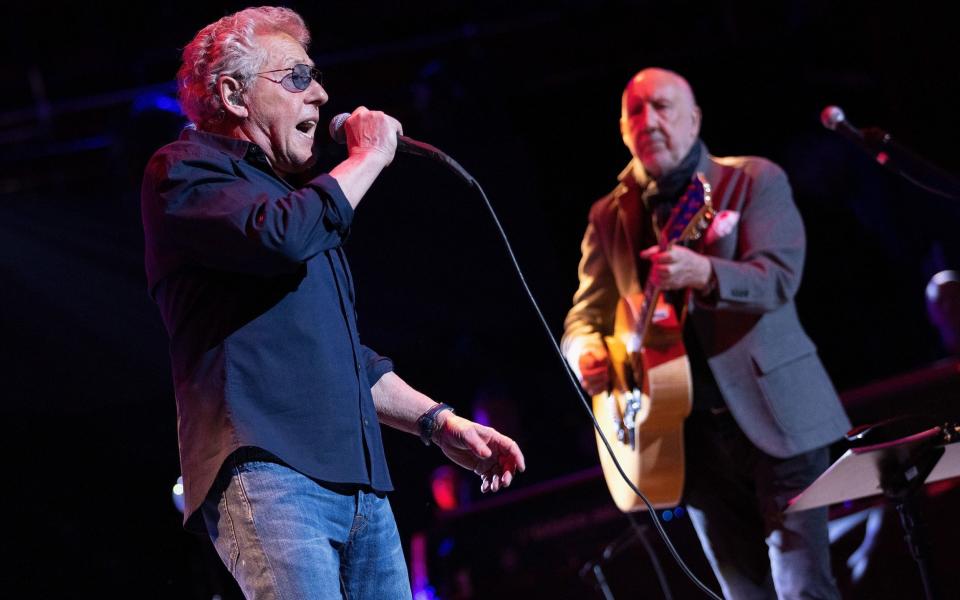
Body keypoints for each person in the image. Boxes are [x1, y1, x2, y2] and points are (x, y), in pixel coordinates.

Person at [140, 7, 524, 598]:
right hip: (268, 471)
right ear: (233, 95)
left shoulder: (294, 201)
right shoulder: (184, 171)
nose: (319, 94)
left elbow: (344, 356)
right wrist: (366, 157)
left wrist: (437, 423)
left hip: (361, 484)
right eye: (296, 77)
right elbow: (281, 236)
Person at [561, 67, 850, 599]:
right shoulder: (608, 214)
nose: (649, 120)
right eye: (635, 111)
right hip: (683, 440)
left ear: (694, 119)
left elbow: (779, 278)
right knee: (744, 593)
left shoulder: (753, 180)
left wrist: (708, 273)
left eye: (663, 106)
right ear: (623, 129)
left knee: (802, 588)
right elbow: (583, 317)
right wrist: (584, 352)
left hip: (777, 417)